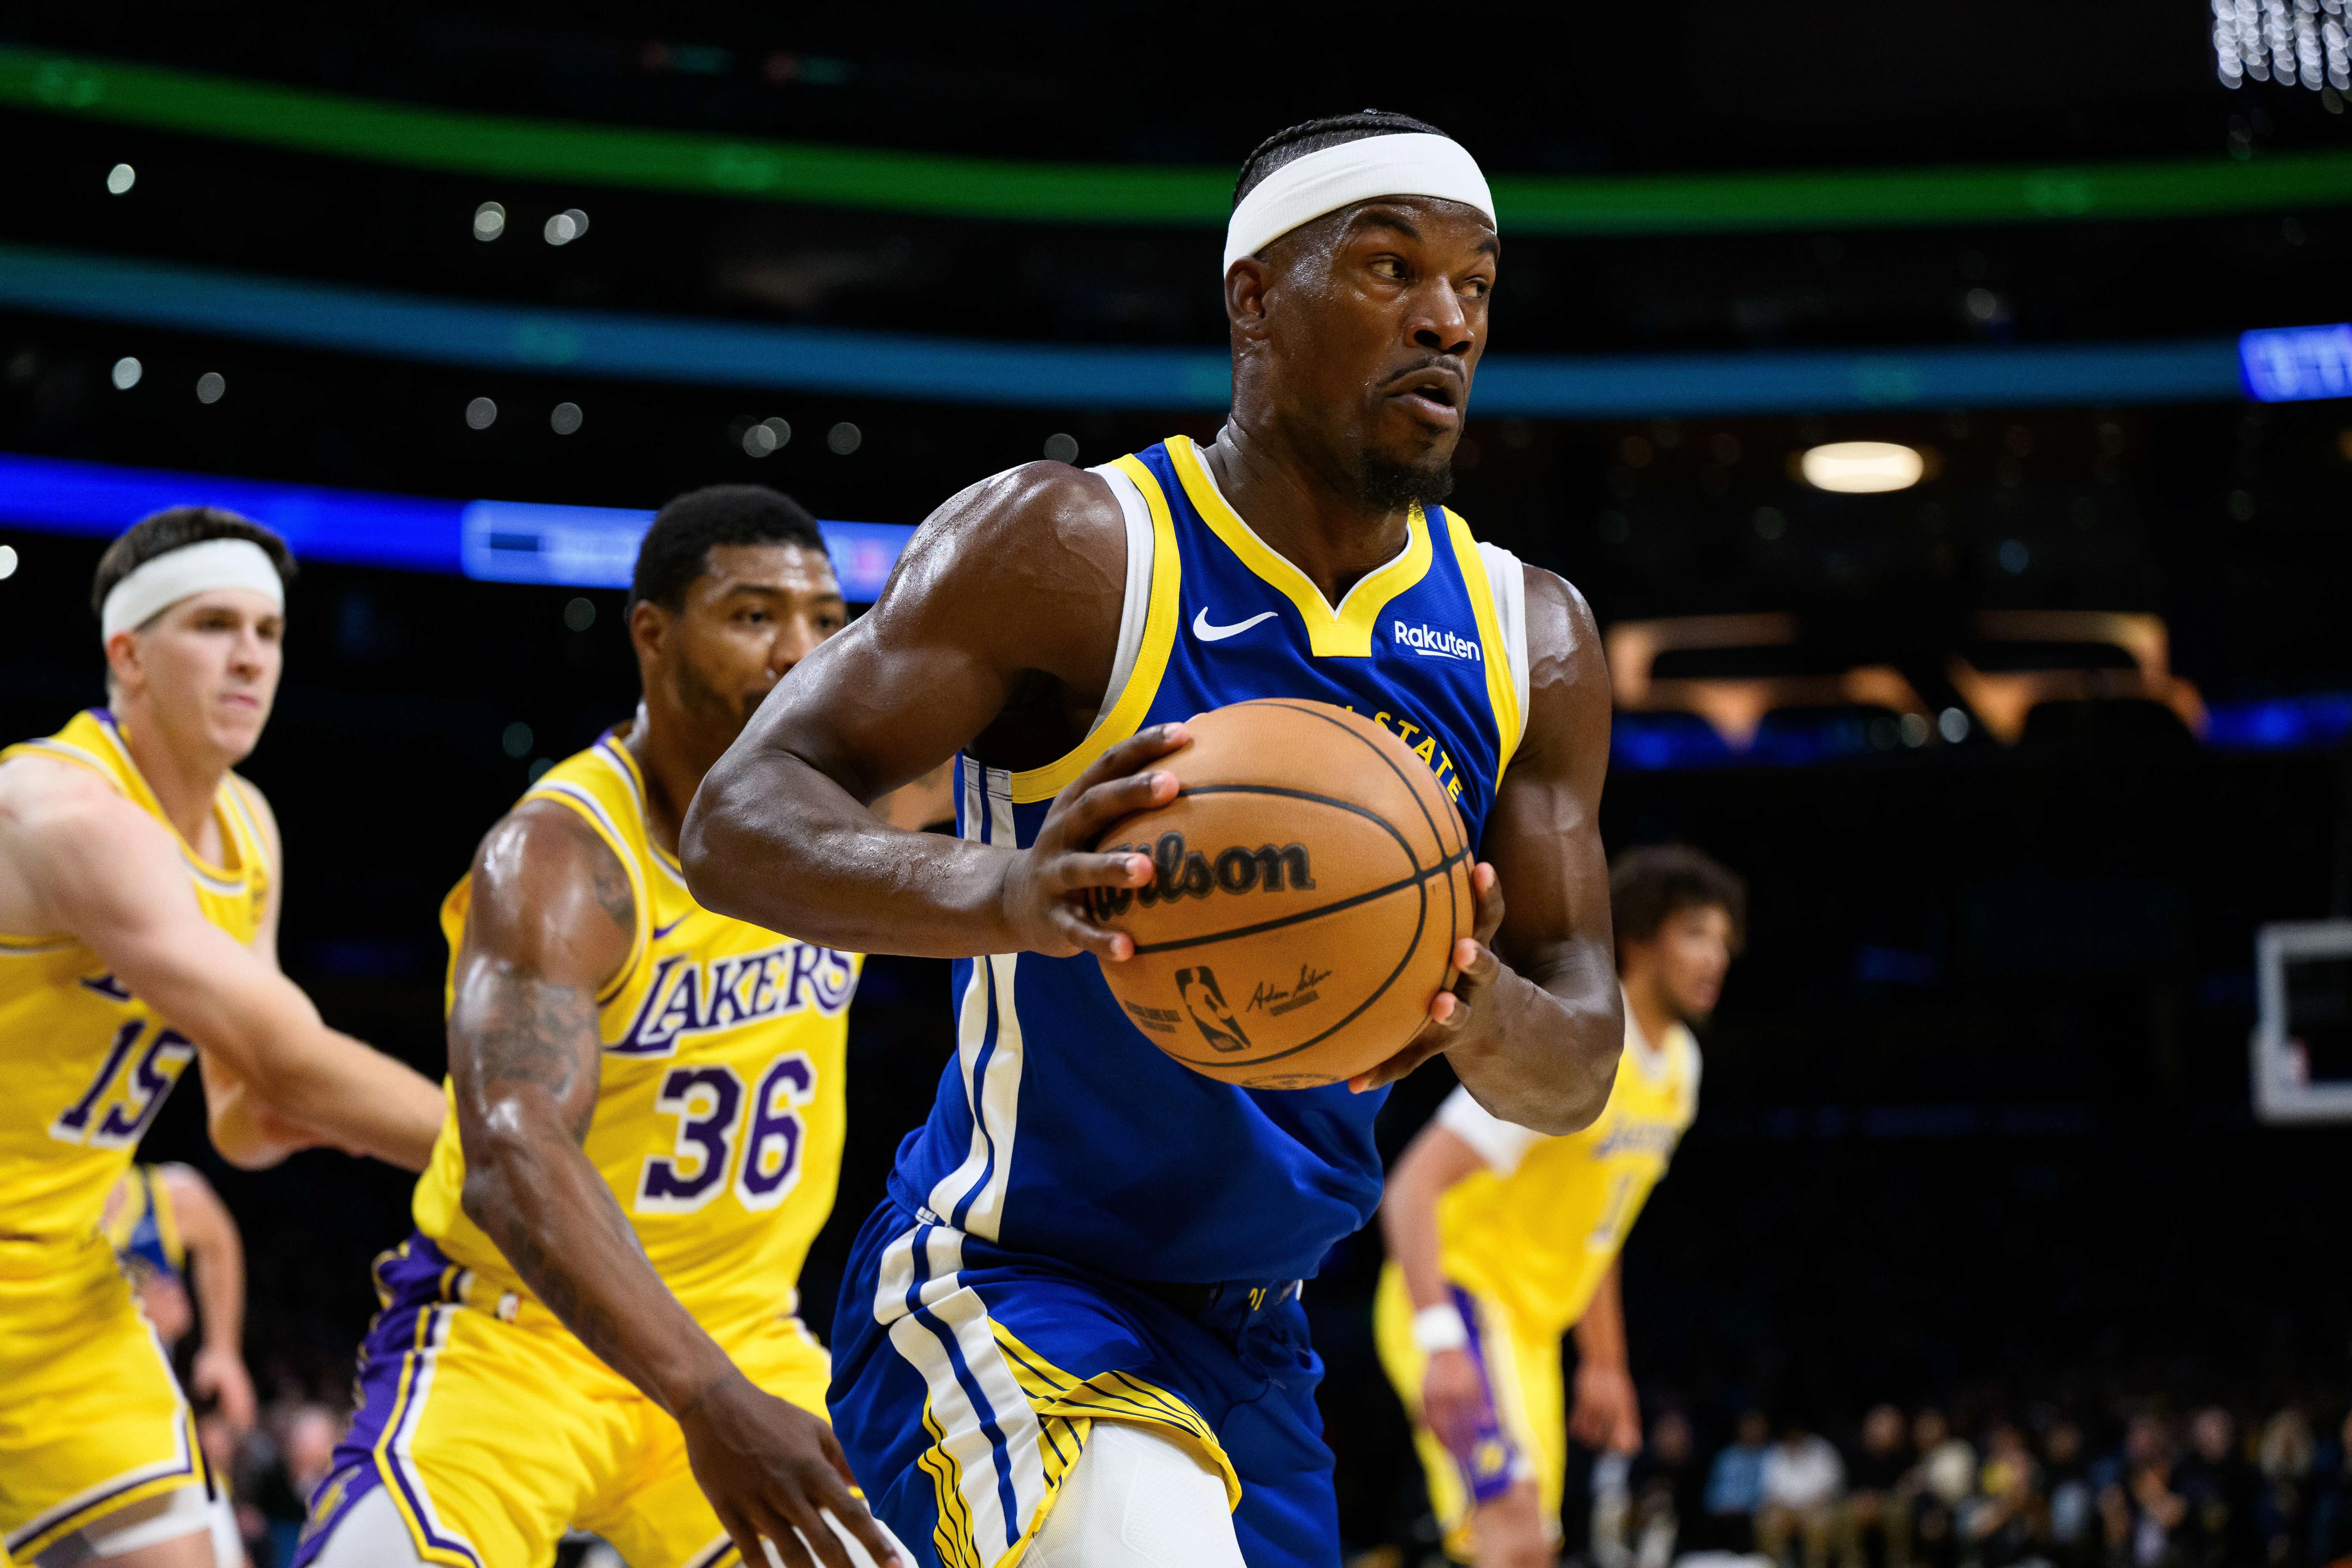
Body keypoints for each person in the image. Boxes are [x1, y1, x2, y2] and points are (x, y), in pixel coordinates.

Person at [683, 111, 1625, 1568]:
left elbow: (1578, 1063)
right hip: (1011, 1282)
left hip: (1260, 1341)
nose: (1446, 317)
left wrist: (1469, 999)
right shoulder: (1071, 551)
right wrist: (1006, 889)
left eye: (1475, 286)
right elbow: (736, 822)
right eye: (1388, 269)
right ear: (1254, 296)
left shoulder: (1528, 636)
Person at [294, 487, 905, 1568]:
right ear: (652, 634)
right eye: (755, 615)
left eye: (823, 618)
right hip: (516, 1338)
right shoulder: (560, 860)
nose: (800, 652)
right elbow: (510, 1151)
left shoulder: (860, 804)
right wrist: (707, 1397)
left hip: (747, 1329)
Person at [0, 507, 448, 1568]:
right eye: (212, 625)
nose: (250, 656)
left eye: (270, 630)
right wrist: (519, 1152)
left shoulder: (248, 827)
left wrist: (328, 1117)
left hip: (61, 1279)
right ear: (129, 654)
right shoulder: (61, 808)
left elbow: (247, 1110)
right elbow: (291, 1055)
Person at [1372, 844, 1742, 1566]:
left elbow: (1598, 1225)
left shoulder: (1678, 1075)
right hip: (1461, 1297)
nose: (1715, 956)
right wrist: (1440, 1341)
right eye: (1695, 932)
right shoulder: (1566, 1050)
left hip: (1531, 1333)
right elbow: (1413, 1182)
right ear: (1637, 938)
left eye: (1724, 940)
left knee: (1523, 1546)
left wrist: (1605, 1363)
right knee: (1510, 1537)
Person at [104, 1161, 259, 1568]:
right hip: (60, 1438)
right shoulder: (30, 1208)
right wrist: (130, 1319)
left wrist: (224, 1351)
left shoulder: (165, 1194)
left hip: (157, 1436)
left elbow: (219, 1240)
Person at [1758, 1420, 1847, 1568]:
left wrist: (1805, 1510)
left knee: (1818, 1523)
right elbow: (1770, 1492)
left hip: (1816, 1508)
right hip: (1785, 1510)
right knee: (1767, 1521)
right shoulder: (1775, 1453)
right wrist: (1788, 1512)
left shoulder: (1823, 1451)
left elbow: (1830, 1491)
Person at [1845, 1405, 1914, 1568]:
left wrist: (1880, 1501)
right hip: (1859, 1503)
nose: (1887, 1431)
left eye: (1892, 1426)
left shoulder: (1905, 1455)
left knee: (1898, 1512)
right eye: (1880, 1424)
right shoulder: (1854, 1453)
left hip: (1891, 1503)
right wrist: (1864, 1501)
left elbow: (1906, 1486)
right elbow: (1845, 1488)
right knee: (1846, 1515)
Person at [1705, 1412, 1774, 1554]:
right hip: (1723, 1517)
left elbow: (1770, 1491)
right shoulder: (1726, 1456)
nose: (1751, 1431)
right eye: (1748, 1427)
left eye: (1756, 1427)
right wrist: (1722, 1505)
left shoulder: (1772, 1456)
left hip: (1752, 1516)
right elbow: (1711, 1494)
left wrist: (1743, 1506)